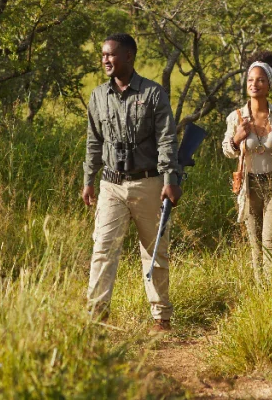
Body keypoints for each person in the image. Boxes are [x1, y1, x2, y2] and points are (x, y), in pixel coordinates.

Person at [83, 33, 182, 331]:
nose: (105, 60)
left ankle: (161, 317)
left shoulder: (152, 93)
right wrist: (89, 179)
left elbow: (167, 139)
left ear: (129, 56)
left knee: (154, 250)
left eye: (111, 55)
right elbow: (93, 141)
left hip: (148, 183)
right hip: (110, 184)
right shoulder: (98, 96)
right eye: (103, 55)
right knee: (103, 248)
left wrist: (170, 179)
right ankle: (96, 317)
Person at [222, 50, 272, 283]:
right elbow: (227, 151)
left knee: (270, 239)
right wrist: (237, 138)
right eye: (250, 80)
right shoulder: (236, 117)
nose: (254, 84)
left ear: (270, 84)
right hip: (249, 187)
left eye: (260, 80)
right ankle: (262, 289)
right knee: (255, 241)